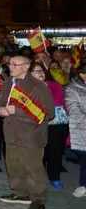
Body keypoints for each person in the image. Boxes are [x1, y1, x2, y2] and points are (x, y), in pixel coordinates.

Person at [0, 56, 55, 209]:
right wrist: (1, 110)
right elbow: (2, 102)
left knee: (32, 167)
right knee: (13, 165)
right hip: (11, 132)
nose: (10, 67)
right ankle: (20, 193)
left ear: (26, 67)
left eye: (14, 64)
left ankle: (38, 199)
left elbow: (48, 113)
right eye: (10, 64)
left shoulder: (38, 86)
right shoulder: (8, 82)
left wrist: (18, 111)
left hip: (31, 134)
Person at [32, 62, 68, 190]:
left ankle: (54, 178)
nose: (40, 73)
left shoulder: (54, 85)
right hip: (36, 125)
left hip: (55, 124)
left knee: (55, 152)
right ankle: (37, 177)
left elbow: (58, 103)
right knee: (39, 153)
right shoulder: (26, 88)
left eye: (41, 70)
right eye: (36, 71)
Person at [65, 64, 86, 198]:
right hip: (82, 130)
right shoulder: (72, 89)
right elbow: (73, 110)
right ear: (81, 74)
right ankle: (83, 185)